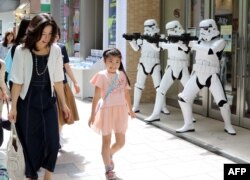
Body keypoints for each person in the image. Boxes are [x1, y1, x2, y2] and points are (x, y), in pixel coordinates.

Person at [8, 13, 71, 180]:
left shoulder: (56, 50)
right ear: (34, 31)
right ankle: (31, 174)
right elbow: (17, 82)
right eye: (43, 34)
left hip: (48, 101)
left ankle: (48, 175)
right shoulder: (21, 51)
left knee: (52, 140)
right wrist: (13, 106)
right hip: (27, 102)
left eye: (50, 34)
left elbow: (58, 80)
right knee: (29, 141)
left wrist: (63, 104)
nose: (46, 38)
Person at [176, 19, 236, 135]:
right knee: (183, 98)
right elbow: (187, 49)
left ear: (212, 28)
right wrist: (179, 42)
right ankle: (188, 124)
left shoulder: (220, 41)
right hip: (198, 74)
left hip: (212, 76)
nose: (203, 32)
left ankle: (228, 125)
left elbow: (210, 50)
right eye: (201, 29)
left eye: (205, 29)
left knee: (222, 103)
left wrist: (193, 44)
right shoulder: (198, 41)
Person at [88, 48, 136, 180]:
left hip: (120, 110)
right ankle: (108, 170)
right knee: (106, 141)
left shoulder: (122, 75)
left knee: (121, 142)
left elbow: (126, 93)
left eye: (117, 61)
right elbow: (96, 97)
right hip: (106, 111)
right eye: (110, 61)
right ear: (104, 61)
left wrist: (130, 110)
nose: (114, 64)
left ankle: (108, 155)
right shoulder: (101, 75)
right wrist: (92, 114)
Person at [145, 20, 193, 122]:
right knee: (160, 90)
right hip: (171, 67)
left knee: (189, 92)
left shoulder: (185, 39)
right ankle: (155, 114)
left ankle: (190, 116)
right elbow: (158, 49)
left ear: (177, 28)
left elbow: (186, 49)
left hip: (182, 68)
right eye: (168, 30)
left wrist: (165, 44)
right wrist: (152, 43)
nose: (169, 32)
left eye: (171, 30)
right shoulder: (168, 39)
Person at [123, 19, 169, 114]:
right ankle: (135, 106)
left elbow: (159, 49)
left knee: (159, 87)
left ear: (155, 26)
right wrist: (131, 41)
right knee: (138, 85)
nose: (147, 29)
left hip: (155, 63)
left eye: (150, 27)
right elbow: (136, 49)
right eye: (146, 27)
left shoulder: (160, 37)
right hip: (143, 63)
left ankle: (163, 106)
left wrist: (151, 41)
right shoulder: (142, 38)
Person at [55, 27, 80, 144]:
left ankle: (58, 137)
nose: (55, 36)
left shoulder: (61, 47)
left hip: (62, 84)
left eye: (56, 34)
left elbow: (67, 66)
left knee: (61, 113)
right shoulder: (42, 48)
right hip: (47, 86)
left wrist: (75, 82)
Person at [5, 18, 31, 90]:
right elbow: (7, 67)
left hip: (26, 81)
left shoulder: (34, 45)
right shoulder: (16, 47)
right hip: (16, 80)